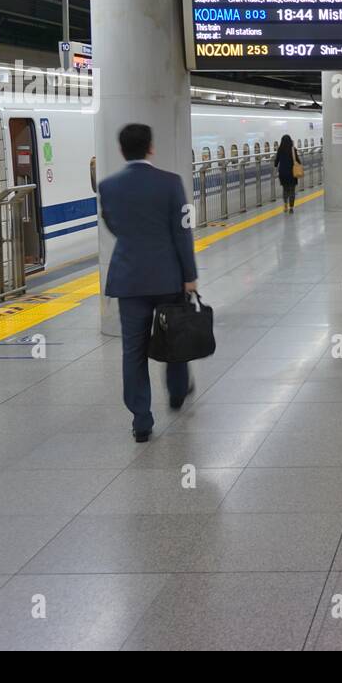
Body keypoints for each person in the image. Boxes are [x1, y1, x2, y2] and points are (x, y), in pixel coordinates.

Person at [97, 123, 198, 443]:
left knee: (133, 350)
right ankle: (178, 391)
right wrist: (189, 276)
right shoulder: (170, 183)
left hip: (129, 279)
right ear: (151, 148)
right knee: (175, 336)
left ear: (121, 151)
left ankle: (141, 419)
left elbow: (113, 226)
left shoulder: (108, 186)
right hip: (168, 276)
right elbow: (182, 232)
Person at [274, 133, 300, 214]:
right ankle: (291, 208)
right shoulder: (293, 149)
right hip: (292, 172)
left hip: (283, 173)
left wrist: (276, 167)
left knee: (285, 190)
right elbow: (298, 160)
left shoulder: (280, 149)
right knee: (292, 190)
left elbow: (276, 161)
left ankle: (285, 204)